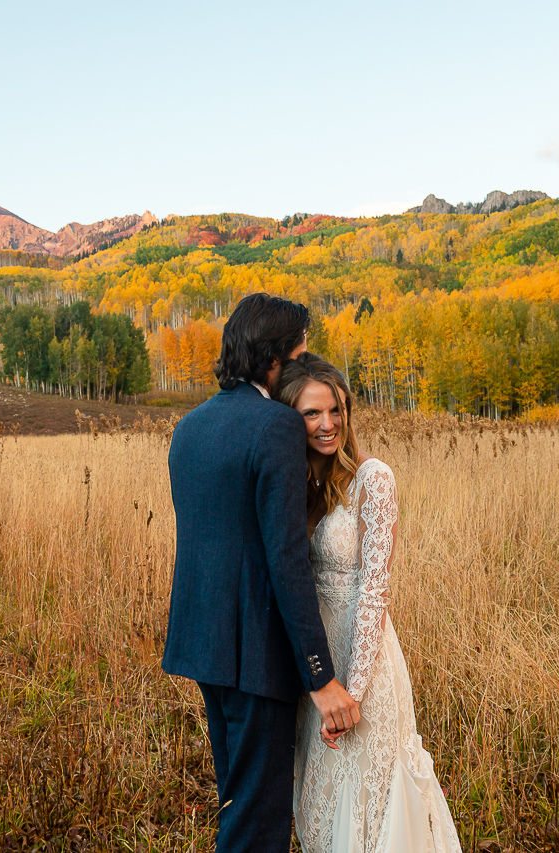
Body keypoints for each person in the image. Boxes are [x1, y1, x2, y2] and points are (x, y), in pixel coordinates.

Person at [163, 294, 361, 853]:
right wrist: (320, 677)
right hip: (255, 655)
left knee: (236, 802)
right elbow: (285, 560)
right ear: (273, 358)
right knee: (259, 823)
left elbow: (216, 543)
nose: (303, 365)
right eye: (299, 355)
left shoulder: (190, 426)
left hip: (204, 647)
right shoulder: (275, 426)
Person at [275, 353, 462, 853]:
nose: (327, 424)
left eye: (335, 410)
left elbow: (374, 590)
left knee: (371, 802)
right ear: (290, 418)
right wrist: (318, 684)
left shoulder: (371, 478)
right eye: (312, 413)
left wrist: (351, 692)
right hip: (314, 669)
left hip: (364, 666)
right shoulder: (296, 487)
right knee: (319, 804)